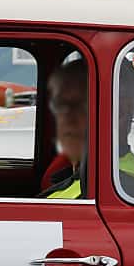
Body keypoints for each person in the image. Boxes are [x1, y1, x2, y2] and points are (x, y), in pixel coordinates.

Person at [40, 56, 87, 198]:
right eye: (60, 104)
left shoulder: (128, 185)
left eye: (80, 105)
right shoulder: (64, 169)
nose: (68, 118)